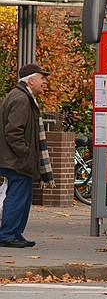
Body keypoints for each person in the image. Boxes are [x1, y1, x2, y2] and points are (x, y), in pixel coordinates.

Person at [0, 63, 56, 248]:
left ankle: (15, 233)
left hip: (16, 160)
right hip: (17, 161)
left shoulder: (21, 96)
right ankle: (8, 234)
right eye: (42, 78)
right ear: (30, 80)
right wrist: (25, 155)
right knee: (18, 197)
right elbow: (13, 132)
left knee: (23, 198)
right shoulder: (21, 99)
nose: (45, 82)